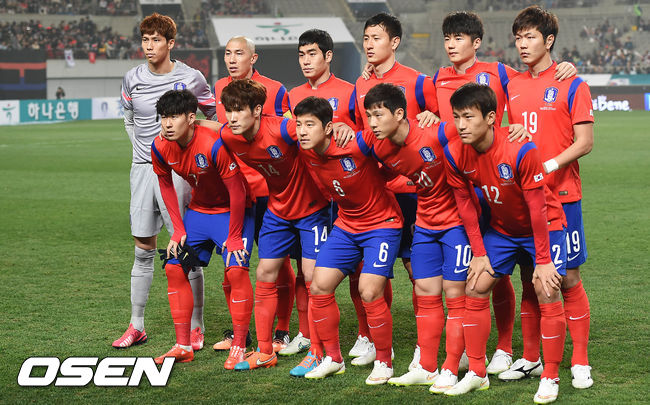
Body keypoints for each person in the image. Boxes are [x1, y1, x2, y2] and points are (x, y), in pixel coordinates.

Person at [432, 10, 577, 376]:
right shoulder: (436, 78)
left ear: (476, 42)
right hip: (477, 186)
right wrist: (426, 115)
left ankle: (522, 353)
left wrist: (565, 68)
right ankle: (486, 356)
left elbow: (536, 77)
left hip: (525, 184)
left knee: (542, 279)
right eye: (447, 38)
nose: (451, 44)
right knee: (485, 277)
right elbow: (415, 106)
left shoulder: (499, 73)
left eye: (459, 38)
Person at [443, 83, 567, 404]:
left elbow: (538, 208)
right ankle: (477, 372)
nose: (461, 125)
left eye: (468, 117)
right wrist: (479, 253)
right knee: (475, 285)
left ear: (490, 118)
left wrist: (543, 260)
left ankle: (550, 375)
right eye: (456, 117)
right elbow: (465, 205)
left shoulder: (521, 149)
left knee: (546, 289)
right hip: (503, 231)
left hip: (545, 226)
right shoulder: (454, 152)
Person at [501, 5, 594, 390]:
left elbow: (585, 142)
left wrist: (550, 164)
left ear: (549, 40)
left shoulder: (572, 83)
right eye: (518, 38)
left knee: (567, 277)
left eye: (530, 37)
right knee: (531, 278)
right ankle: (531, 358)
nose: (522, 44)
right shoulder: (511, 84)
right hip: (525, 199)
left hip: (563, 196)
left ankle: (580, 360)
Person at [355, 83, 469, 388]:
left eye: (378, 115)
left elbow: (479, 133)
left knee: (456, 296)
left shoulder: (436, 133)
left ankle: (452, 366)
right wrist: (340, 128)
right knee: (425, 293)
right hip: (425, 223)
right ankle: (428, 366)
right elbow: (352, 148)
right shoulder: (380, 147)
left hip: (457, 223)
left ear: (399, 114)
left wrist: (515, 132)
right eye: (368, 116)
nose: (372, 122)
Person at [215, 79, 333, 371]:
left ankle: (317, 351)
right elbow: (211, 128)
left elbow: (315, 127)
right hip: (277, 210)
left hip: (312, 210)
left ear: (257, 110)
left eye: (239, 110)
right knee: (264, 273)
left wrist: (341, 126)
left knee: (313, 278)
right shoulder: (229, 135)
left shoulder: (282, 129)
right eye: (228, 110)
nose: (232, 117)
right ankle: (266, 350)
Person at [114, 13, 215, 351]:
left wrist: (191, 152)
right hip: (143, 169)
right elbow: (129, 118)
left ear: (170, 43)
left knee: (186, 247)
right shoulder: (132, 78)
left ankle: (197, 327)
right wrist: (141, 152)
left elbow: (213, 115)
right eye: (145, 40)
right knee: (142, 247)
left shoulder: (191, 77)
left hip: (180, 170)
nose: (149, 46)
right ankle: (136, 325)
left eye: (156, 40)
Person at [294, 96, 403, 385]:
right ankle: (334, 358)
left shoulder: (356, 143)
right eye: (299, 124)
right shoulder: (305, 150)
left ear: (328, 128)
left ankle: (384, 360)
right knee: (319, 286)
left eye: (309, 125)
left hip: (382, 225)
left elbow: (393, 135)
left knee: (369, 291)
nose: (302, 131)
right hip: (346, 226)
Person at [353, 12, 439, 369]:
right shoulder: (360, 85)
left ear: (395, 42)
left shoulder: (418, 82)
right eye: (366, 38)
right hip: (377, 193)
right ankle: (372, 339)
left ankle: (424, 344)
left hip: (414, 191)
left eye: (376, 38)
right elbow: (361, 135)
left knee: (416, 269)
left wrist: (434, 116)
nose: (369, 44)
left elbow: (440, 125)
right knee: (374, 268)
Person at [150, 89, 254, 368]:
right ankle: (183, 345)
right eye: (163, 117)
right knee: (173, 267)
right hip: (198, 212)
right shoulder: (159, 146)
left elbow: (237, 190)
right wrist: (177, 229)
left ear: (190, 118)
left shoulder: (213, 143)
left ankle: (240, 345)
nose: (167, 124)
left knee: (235, 269)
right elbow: (165, 184)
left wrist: (234, 236)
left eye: (174, 117)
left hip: (232, 211)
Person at [211, 35, 295, 354]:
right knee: (234, 265)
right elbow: (220, 133)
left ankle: (282, 330)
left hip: (269, 193)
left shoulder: (274, 89)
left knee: (278, 264)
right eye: (228, 53)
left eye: (239, 53)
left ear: (253, 58)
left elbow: (287, 131)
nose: (232, 59)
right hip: (235, 193)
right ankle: (240, 333)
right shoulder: (220, 87)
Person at [284, 29, 358, 359]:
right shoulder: (293, 95)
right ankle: (305, 333)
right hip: (309, 198)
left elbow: (364, 133)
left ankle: (366, 335)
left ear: (328, 56)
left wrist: (348, 128)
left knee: (358, 270)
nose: (305, 60)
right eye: (301, 55)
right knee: (306, 270)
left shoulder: (349, 92)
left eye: (312, 53)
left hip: (345, 195)